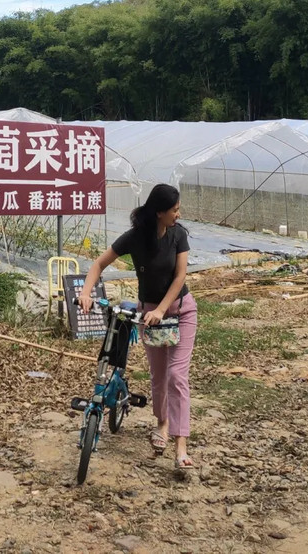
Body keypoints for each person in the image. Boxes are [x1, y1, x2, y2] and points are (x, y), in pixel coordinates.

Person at [78, 183, 197, 470]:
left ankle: (181, 447)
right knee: (158, 376)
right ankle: (162, 425)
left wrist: (160, 308)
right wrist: (86, 292)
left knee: (176, 376)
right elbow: (98, 264)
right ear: (159, 212)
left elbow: (180, 277)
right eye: (174, 210)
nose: (178, 215)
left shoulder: (179, 235)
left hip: (180, 312)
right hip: (149, 317)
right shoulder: (134, 238)